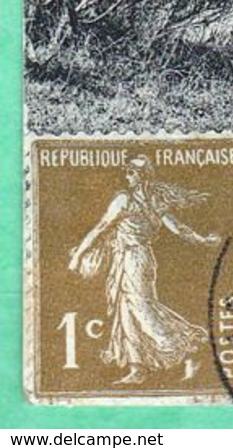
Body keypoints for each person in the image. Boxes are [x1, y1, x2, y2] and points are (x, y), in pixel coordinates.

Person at [67, 156, 221, 386]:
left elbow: (101, 227)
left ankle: (181, 344)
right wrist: (202, 240)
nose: (127, 176)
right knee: (125, 310)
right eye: (127, 172)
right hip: (133, 259)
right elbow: (178, 228)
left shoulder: (124, 200)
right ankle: (137, 369)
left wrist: (78, 255)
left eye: (130, 172)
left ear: (141, 175)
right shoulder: (154, 202)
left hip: (134, 259)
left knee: (140, 306)